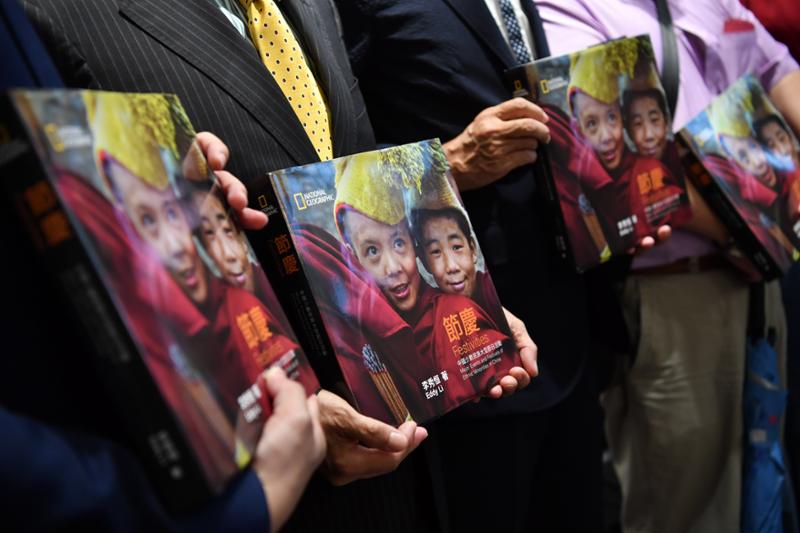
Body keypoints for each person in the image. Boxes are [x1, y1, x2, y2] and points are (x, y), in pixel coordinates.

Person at [21, 1, 536, 530]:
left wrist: (466, 306)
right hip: (265, 484)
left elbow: (349, 167)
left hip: (405, 449)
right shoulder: (54, 16)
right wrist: (296, 409)